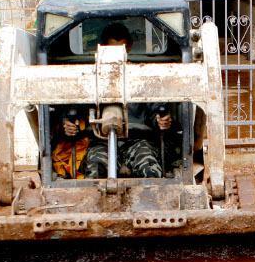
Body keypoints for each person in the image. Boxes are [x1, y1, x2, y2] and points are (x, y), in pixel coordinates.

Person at [52, 21, 179, 179]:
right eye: (112, 50)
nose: (117, 56)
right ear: (102, 47)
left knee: (151, 171)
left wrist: (161, 121)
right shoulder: (90, 78)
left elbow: (155, 110)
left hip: (138, 140)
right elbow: (75, 112)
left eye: (121, 50)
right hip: (101, 141)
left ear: (129, 48)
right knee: (94, 174)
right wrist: (70, 124)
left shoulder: (143, 76)